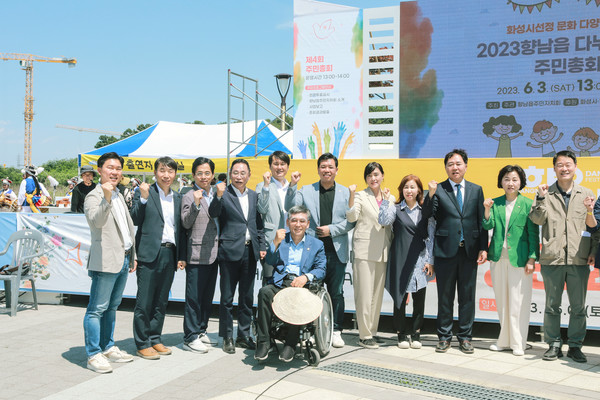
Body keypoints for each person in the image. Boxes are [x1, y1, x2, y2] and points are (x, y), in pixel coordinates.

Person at [529, 150, 598, 363]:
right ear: (554, 169)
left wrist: (593, 252)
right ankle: (554, 344)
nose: (565, 168)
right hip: (553, 258)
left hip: (579, 259)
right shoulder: (545, 193)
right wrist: (540, 198)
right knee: (551, 305)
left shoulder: (586, 193)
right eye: (560, 165)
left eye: (568, 164)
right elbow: (537, 219)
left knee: (578, 307)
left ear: (575, 167)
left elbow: (594, 227)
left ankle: (576, 346)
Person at [285, 152, 355, 348]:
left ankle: (336, 329)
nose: (327, 170)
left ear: (336, 170)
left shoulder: (345, 192)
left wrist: (331, 230)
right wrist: (292, 186)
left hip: (336, 250)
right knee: (311, 291)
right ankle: (313, 330)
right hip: (312, 251)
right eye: (323, 167)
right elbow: (290, 208)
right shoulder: (306, 190)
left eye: (330, 167)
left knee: (336, 292)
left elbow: (351, 221)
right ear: (318, 169)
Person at [424, 149, 487, 354]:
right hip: (445, 251)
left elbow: (481, 221)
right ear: (446, 167)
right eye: (450, 164)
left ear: (466, 166)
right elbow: (427, 215)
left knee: (467, 297)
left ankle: (466, 337)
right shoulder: (438, 189)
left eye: (458, 164)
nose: (455, 167)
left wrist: (483, 248)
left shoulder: (476, 190)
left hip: (469, 251)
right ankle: (443, 337)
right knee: (445, 296)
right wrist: (430, 194)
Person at [83, 151, 136, 373]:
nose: (114, 172)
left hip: (122, 259)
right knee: (96, 309)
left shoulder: (119, 194)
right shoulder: (94, 196)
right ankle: (93, 354)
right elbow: (97, 221)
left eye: (117, 168)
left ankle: (108, 346)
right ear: (99, 170)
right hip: (105, 262)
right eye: (109, 168)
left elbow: (126, 227)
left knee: (112, 307)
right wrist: (105, 197)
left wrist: (132, 256)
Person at [130, 156, 187, 360]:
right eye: (162, 170)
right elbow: (135, 218)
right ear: (155, 172)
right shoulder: (144, 192)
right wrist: (143, 199)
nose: (166, 175)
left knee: (161, 301)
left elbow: (180, 229)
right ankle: (142, 343)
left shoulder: (178, 197)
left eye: (170, 171)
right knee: (144, 301)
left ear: (175, 174)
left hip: (169, 253)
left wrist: (181, 255)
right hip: (148, 253)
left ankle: (155, 338)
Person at [254, 205, 326, 362]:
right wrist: (275, 243)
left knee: (296, 298)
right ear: (288, 222)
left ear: (307, 224)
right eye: (294, 220)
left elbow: (321, 269)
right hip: (282, 281)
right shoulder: (282, 240)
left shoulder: (316, 244)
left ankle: (291, 344)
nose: (298, 224)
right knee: (264, 292)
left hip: (302, 284)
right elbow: (270, 261)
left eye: (302, 221)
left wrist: (306, 277)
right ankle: (264, 342)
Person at [208, 159, 266, 354]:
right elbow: (213, 212)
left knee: (247, 297)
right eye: (236, 173)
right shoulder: (224, 195)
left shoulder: (254, 196)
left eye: (243, 173)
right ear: (230, 174)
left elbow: (258, 224)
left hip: (250, 252)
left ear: (249, 175)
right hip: (229, 252)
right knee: (227, 298)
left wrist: (262, 246)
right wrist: (218, 195)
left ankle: (243, 335)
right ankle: (227, 337)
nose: (239, 176)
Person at [483, 165, 539, 356]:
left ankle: (518, 343)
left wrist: (532, 258)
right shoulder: (495, 203)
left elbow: (533, 234)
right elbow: (488, 225)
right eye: (506, 179)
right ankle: (503, 340)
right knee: (502, 301)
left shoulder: (528, 204)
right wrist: (486, 210)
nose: (510, 183)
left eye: (514, 179)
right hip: (498, 258)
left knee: (518, 302)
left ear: (521, 182)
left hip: (520, 260)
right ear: (501, 182)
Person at [378, 174, 435, 349]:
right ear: (402, 190)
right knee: (400, 297)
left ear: (419, 190)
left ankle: (416, 334)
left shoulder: (425, 210)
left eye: (412, 187)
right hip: (400, 258)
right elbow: (383, 221)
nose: (409, 190)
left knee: (419, 299)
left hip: (420, 259)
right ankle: (401, 334)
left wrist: (430, 260)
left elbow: (431, 235)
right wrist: (386, 201)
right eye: (406, 187)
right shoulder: (396, 209)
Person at [346, 162, 393, 349]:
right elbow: (351, 217)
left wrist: (388, 201)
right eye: (369, 175)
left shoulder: (390, 196)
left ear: (382, 176)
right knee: (364, 295)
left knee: (376, 295)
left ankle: (372, 331)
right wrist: (351, 195)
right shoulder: (360, 196)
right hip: (364, 251)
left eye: (376, 174)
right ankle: (364, 335)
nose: (373, 178)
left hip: (383, 250)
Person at [181, 157, 220, 353]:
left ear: (212, 175)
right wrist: (196, 204)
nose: (203, 177)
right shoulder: (189, 195)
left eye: (207, 173)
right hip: (196, 252)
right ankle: (190, 336)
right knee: (194, 297)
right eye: (199, 173)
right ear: (193, 175)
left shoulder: (217, 193)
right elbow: (186, 223)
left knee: (207, 296)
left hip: (214, 252)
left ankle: (201, 329)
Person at [256, 151, 291, 283]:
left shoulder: (292, 187)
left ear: (287, 166)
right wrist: (266, 186)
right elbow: (262, 209)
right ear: (270, 166)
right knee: (269, 281)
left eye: (283, 164)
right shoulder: (263, 186)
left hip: (291, 240)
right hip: (270, 240)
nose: (279, 167)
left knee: (288, 281)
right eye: (275, 164)